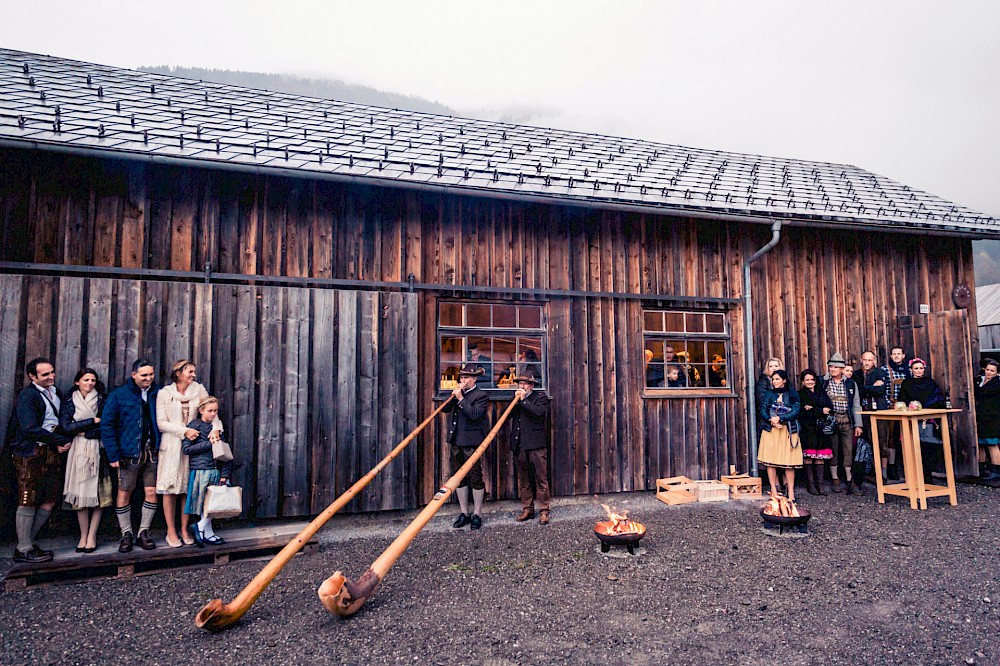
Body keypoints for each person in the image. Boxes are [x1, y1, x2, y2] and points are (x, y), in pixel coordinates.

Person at [6, 358, 70, 563]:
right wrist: (59, 439)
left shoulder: (55, 392)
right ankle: (24, 549)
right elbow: (29, 428)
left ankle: (27, 544)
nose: (51, 376)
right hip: (30, 452)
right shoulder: (28, 396)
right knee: (28, 498)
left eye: (52, 372)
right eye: (45, 374)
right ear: (32, 377)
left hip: (50, 450)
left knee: (50, 498)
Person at [156, 360, 222, 548]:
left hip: (195, 446)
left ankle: (185, 528)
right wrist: (184, 431)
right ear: (178, 373)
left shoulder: (198, 390)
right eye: (190, 371)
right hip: (172, 445)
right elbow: (161, 422)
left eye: (194, 371)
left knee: (188, 487)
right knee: (170, 488)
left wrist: (216, 429)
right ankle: (170, 530)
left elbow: (212, 412)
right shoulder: (165, 393)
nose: (193, 375)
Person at [102, 359, 161, 553]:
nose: (148, 378)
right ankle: (126, 533)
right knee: (124, 493)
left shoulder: (157, 393)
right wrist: (113, 454)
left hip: (152, 452)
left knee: (151, 493)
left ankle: (143, 532)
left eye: (151, 374)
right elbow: (107, 424)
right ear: (133, 374)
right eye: (144, 375)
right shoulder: (119, 394)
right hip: (128, 454)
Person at [59, 368, 111, 553]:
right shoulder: (68, 402)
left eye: (93, 380)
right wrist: (91, 422)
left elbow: (106, 425)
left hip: (98, 450)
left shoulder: (102, 400)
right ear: (77, 382)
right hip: (77, 451)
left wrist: (83, 429)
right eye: (86, 379)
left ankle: (92, 535)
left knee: (99, 497)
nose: (90, 383)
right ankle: (83, 535)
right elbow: (65, 427)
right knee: (80, 495)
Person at [445, 365, 490, 530]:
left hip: (472, 442)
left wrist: (461, 399)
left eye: (466, 378)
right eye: (461, 378)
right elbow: (444, 409)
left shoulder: (481, 395)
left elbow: (475, 415)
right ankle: (464, 513)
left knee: (475, 477)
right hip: (456, 441)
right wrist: (453, 396)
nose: (462, 381)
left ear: (474, 379)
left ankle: (477, 513)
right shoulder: (458, 394)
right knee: (458, 477)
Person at [183, 397, 233, 547]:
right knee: (205, 503)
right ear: (201, 411)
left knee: (213, 503)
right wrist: (208, 444)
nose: (213, 414)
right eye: (210, 411)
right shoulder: (195, 425)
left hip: (215, 471)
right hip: (201, 471)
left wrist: (224, 475)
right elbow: (187, 449)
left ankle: (205, 530)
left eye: (215, 411)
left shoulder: (217, 429)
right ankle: (203, 528)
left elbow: (224, 453)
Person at [510, 372, 552, 525]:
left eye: (525, 383)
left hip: (536, 446)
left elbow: (538, 413)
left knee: (541, 479)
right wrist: (516, 402)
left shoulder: (540, 398)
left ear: (532, 385)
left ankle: (544, 510)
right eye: (520, 383)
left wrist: (523, 401)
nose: (522, 386)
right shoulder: (516, 400)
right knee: (524, 480)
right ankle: (527, 509)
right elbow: (507, 416)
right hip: (520, 444)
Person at [898, 358, 946, 485]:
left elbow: (938, 398)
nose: (919, 370)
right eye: (916, 368)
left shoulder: (930, 382)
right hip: (912, 419)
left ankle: (927, 476)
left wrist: (927, 410)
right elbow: (902, 399)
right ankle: (913, 477)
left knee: (928, 447)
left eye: (921, 368)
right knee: (913, 447)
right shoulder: (907, 383)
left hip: (928, 419)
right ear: (911, 370)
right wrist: (911, 408)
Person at [757, 370, 803, 501]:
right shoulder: (769, 393)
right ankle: (773, 490)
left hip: (786, 429)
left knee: (788, 462)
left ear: (784, 380)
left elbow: (796, 410)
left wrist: (781, 419)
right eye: (773, 379)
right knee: (770, 461)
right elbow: (763, 409)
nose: (774, 381)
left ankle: (791, 492)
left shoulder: (792, 393)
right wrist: (771, 420)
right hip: (771, 429)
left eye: (777, 379)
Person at [821, 352, 863, 494]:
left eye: (835, 367)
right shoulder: (823, 381)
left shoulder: (850, 383)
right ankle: (835, 478)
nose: (832, 369)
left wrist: (858, 424)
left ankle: (850, 480)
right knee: (833, 449)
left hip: (847, 420)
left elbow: (856, 404)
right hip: (831, 420)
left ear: (841, 369)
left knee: (848, 449)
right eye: (830, 367)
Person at [798, 369, 833, 495]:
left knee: (820, 457)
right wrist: (819, 410)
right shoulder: (800, 394)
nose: (810, 382)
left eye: (812, 379)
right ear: (803, 381)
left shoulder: (822, 393)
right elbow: (802, 411)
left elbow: (830, 407)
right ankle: (811, 485)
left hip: (822, 429)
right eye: (807, 379)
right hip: (808, 429)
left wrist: (812, 408)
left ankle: (821, 485)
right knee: (809, 456)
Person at [859, 351, 892, 483]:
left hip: (879, 411)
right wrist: (870, 387)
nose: (867, 363)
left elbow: (881, 390)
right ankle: (873, 470)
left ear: (874, 361)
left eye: (870, 360)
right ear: (861, 360)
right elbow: (859, 390)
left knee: (882, 441)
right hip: (865, 411)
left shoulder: (880, 372)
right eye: (865, 360)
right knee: (869, 441)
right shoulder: (857, 374)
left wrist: (866, 388)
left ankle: (883, 473)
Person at [881, 346, 911, 479]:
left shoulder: (908, 371)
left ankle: (907, 468)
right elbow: (882, 389)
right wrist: (889, 404)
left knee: (906, 437)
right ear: (891, 356)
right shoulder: (885, 370)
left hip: (906, 408)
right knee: (890, 438)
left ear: (903, 355)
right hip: (891, 407)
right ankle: (891, 467)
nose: (897, 356)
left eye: (899, 353)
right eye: (894, 354)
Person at [973, 359, 1000, 486]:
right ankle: (982, 468)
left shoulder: (997, 384)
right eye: (988, 370)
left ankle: (996, 469)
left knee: (991, 443)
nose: (989, 373)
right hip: (980, 416)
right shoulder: (979, 380)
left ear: (997, 373)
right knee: (981, 443)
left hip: (992, 416)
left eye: (992, 371)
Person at [755, 358, 784, 430]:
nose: (774, 368)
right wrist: (772, 419)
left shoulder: (785, 382)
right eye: (771, 366)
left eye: (776, 366)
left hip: (784, 420)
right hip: (769, 422)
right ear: (767, 368)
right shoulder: (763, 382)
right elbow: (763, 402)